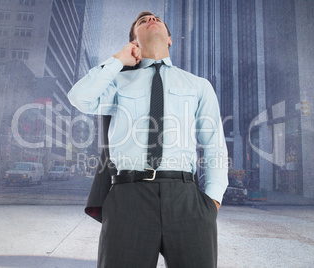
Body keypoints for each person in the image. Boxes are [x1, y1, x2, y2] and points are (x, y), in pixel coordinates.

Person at [68, 11, 228, 268]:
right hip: (129, 196)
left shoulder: (198, 85)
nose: (150, 20)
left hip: (186, 198)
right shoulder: (117, 82)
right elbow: (80, 98)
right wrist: (119, 59)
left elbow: (214, 145)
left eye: (156, 19)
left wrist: (212, 201)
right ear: (134, 42)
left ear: (170, 39)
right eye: (142, 22)